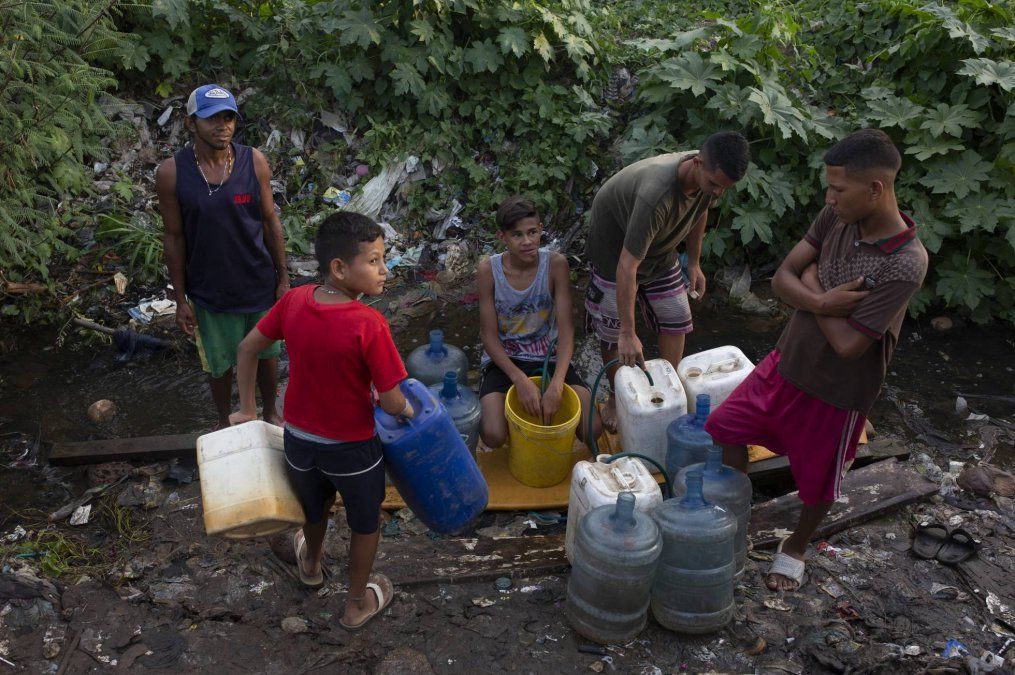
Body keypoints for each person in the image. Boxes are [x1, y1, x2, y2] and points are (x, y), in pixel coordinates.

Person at [704, 129, 929, 592]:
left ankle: (796, 547)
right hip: (786, 361)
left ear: (875, 189)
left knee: (819, 485)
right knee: (725, 427)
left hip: (836, 392)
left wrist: (811, 285)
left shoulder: (906, 262)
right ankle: (737, 512)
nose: (829, 198)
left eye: (839, 189)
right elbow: (781, 278)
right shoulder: (836, 217)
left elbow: (849, 346)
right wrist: (825, 300)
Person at [229, 211, 410, 629]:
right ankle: (355, 605)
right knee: (365, 522)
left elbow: (247, 348)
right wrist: (408, 409)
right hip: (352, 449)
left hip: (299, 441)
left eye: (384, 259)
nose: (385, 270)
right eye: (374, 261)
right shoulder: (369, 324)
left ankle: (310, 565)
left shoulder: (295, 300)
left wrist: (249, 410)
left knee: (315, 508)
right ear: (340, 268)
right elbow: (391, 401)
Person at [584, 131, 750, 430]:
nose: (717, 193)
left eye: (724, 188)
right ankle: (616, 397)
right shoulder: (656, 194)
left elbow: (700, 212)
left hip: (659, 251)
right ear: (697, 164)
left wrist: (695, 263)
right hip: (615, 253)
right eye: (714, 185)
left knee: (677, 317)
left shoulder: (708, 179)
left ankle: (667, 388)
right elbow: (626, 267)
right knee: (614, 333)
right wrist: (628, 332)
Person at [156, 83, 289, 430]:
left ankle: (270, 414)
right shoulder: (172, 173)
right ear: (191, 123)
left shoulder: (253, 161)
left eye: (229, 118)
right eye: (212, 118)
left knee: (267, 354)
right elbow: (174, 237)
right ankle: (223, 422)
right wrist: (180, 299)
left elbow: (270, 221)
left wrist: (283, 279)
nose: (223, 126)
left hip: (258, 280)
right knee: (218, 363)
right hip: (209, 289)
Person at [477, 196, 601, 448]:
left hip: (548, 356)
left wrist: (557, 384)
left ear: (541, 230)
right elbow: (488, 336)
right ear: (503, 237)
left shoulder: (555, 265)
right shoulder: (488, 271)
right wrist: (519, 380)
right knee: (493, 434)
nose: (527, 242)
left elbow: (566, 330)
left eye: (532, 232)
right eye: (517, 235)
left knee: (592, 429)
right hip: (505, 359)